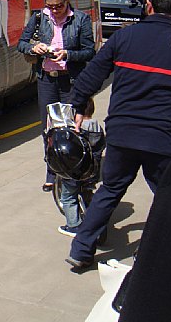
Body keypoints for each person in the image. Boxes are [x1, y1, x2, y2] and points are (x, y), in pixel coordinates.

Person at [66, 0, 171, 270]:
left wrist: (78, 106)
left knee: (110, 189)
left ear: (147, 5)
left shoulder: (124, 38)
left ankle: (82, 249)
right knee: (169, 196)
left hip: (123, 134)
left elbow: (91, 75)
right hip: (164, 137)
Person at [117, 14, 171, 321]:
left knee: (110, 189)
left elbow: (149, 304)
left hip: (134, 137)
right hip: (156, 139)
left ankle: (82, 244)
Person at [18, 0, 95, 192]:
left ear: (66, 1)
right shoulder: (39, 18)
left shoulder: (80, 19)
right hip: (47, 79)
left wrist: (68, 54)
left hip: (70, 79)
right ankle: (52, 170)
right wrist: (35, 47)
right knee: (49, 127)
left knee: (72, 125)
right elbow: (21, 43)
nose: (55, 10)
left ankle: (74, 169)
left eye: (58, 6)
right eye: (51, 6)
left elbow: (90, 51)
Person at [58, 98, 106, 237]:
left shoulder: (76, 130)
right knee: (88, 193)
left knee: (67, 197)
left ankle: (73, 225)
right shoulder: (98, 128)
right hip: (92, 171)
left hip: (76, 174)